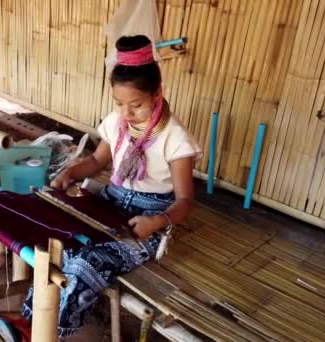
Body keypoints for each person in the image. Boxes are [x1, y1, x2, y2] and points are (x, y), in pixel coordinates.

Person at [21, 34, 202, 337]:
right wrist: (71, 173)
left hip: (146, 220)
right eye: (119, 103)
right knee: (59, 241)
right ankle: (28, 321)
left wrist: (156, 221)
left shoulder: (176, 138)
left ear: (158, 93)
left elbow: (184, 202)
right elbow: (97, 160)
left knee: (87, 262)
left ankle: (43, 332)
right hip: (110, 201)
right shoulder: (118, 123)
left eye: (137, 105)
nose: (127, 114)